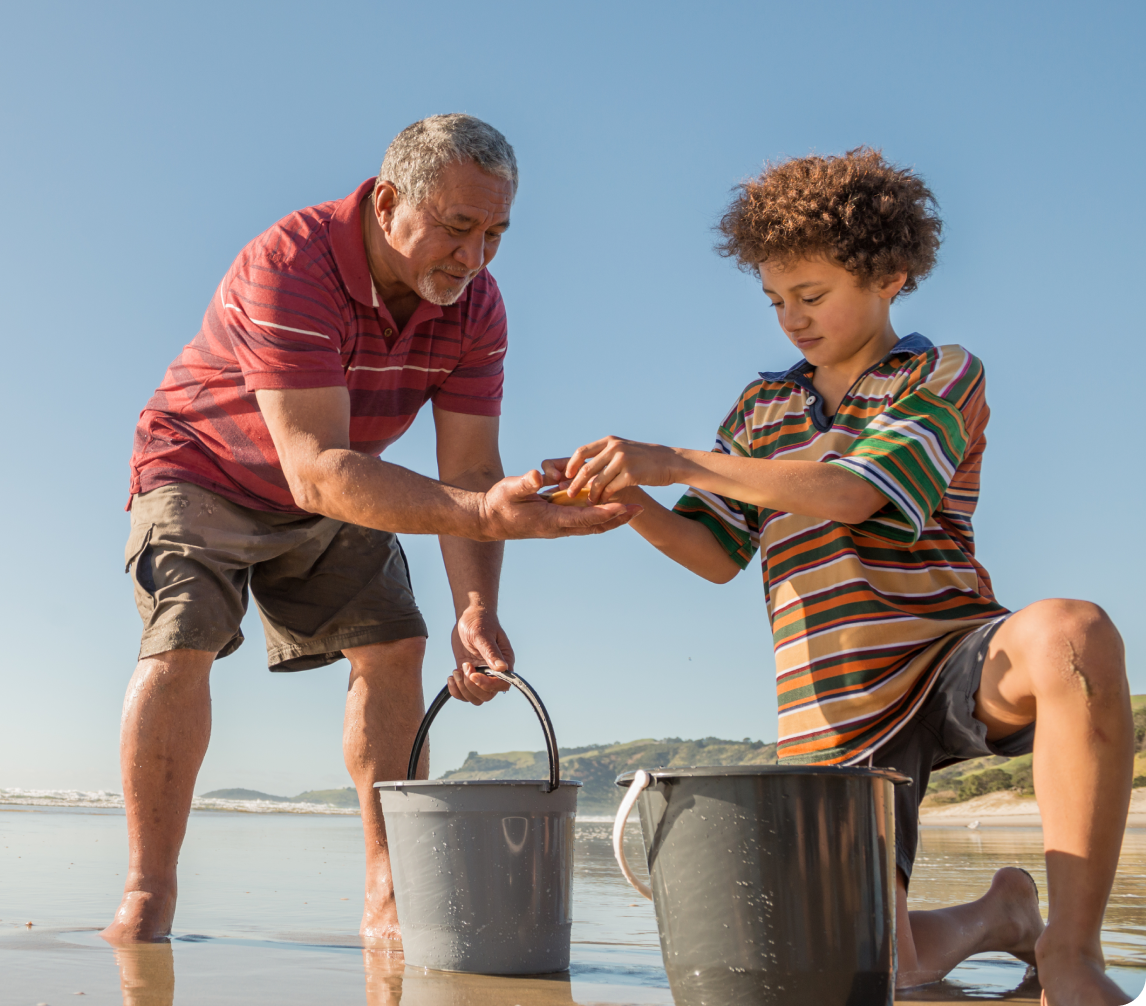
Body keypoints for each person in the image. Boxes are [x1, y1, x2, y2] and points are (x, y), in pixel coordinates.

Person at [549, 148, 1132, 1005]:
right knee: (873, 971)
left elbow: (856, 493)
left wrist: (674, 458)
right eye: (775, 300)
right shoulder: (759, 410)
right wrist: (633, 501)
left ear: (891, 275)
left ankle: (1073, 955)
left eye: (811, 296)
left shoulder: (940, 374)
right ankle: (1003, 916)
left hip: (949, 654)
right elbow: (715, 555)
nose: (791, 320)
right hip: (833, 700)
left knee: (1074, 632)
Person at [102, 114, 638, 944]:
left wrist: (476, 611)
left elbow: (467, 477)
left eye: (495, 233)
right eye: (458, 228)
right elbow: (316, 466)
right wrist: (481, 511)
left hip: (342, 480)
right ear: (389, 202)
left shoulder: (477, 309)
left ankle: (390, 898)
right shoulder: (293, 262)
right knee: (186, 639)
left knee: (395, 644)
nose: (475, 258)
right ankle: (149, 896)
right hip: (206, 465)